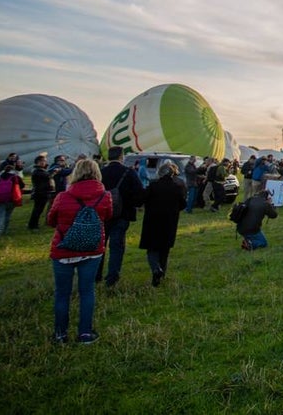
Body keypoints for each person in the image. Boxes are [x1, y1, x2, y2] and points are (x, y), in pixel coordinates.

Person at [47, 157, 113, 344]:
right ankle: (85, 333)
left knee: (62, 293)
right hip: (92, 250)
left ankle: (60, 334)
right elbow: (107, 216)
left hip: (64, 250)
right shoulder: (105, 196)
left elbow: (51, 220)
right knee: (87, 291)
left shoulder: (63, 196)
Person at [96, 146, 145, 288]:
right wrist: (133, 204)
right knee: (117, 246)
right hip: (122, 214)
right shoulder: (128, 172)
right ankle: (112, 277)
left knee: (100, 246)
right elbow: (139, 193)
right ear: (121, 156)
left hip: (103, 214)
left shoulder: (100, 172)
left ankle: (96, 274)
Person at [138, 161, 185, 287]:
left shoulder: (153, 186)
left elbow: (141, 199)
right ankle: (161, 275)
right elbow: (183, 204)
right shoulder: (177, 188)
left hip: (152, 221)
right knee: (165, 250)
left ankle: (155, 268)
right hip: (169, 222)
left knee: (152, 249)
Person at [0, 161, 25, 238]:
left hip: (0, 199)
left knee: (0, 216)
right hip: (11, 199)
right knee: (7, 216)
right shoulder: (15, 177)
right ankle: (4, 231)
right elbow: (22, 186)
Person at [27, 153, 53, 229]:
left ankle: (34, 224)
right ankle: (33, 225)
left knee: (39, 210)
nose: (45, 162)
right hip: (40, 193)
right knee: (37, 210)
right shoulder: (37, 170)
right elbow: (46, 176)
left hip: (42, 192)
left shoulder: (40, 170)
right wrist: (53, 173)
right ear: (39, 161)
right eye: (43, 161)